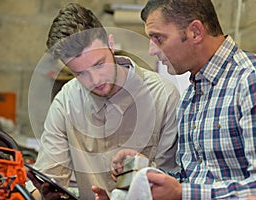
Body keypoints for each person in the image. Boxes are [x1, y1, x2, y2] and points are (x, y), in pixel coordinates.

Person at [27, 3, 180, 200]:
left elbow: (174, 184)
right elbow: (48, 180)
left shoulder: (164, 97)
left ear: (110, 43)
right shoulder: (65, 103)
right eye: (81, 73)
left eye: (99, 64)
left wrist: (141, 172)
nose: (95, 80)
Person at [105, 0, 256, 199]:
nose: (152, 50)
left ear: (195, 32)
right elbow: (191, 179)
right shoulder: (188, 99)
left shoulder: (249, 81)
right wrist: (147, 173)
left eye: (158, 38)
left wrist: (181, 193)